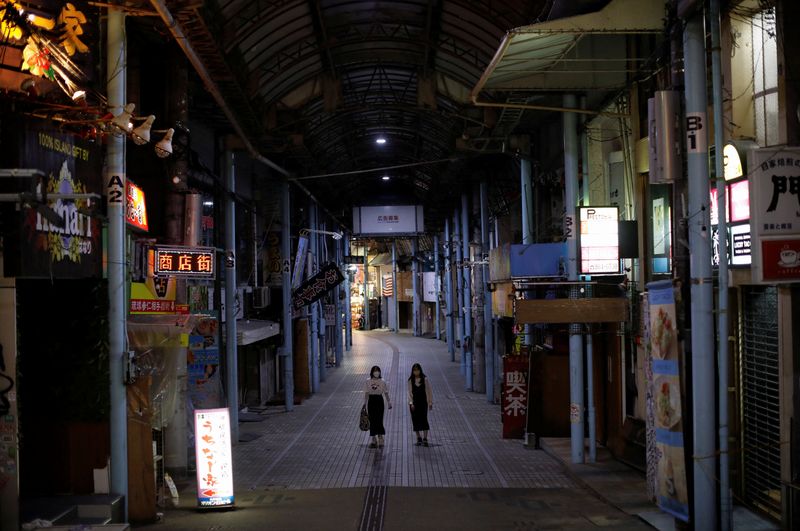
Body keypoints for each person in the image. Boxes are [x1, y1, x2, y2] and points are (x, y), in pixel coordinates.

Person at [364, 365, 392, 448]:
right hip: (371, 401)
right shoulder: (368, 381)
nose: (376, 372)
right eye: (375, 371)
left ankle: (380, 437)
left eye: (377, 371)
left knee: (379, 419)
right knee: (372, 419)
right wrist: (364, 404)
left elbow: (386, 392)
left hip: (379, 400)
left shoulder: (382, 381)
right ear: (372, 372)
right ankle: (373, 439)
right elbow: (366, 393)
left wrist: (389, 402)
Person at [407, 363, 433, 446]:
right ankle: (418, 437)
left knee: (424, 419)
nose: (416, 372)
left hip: (423, 403)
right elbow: (409, 393)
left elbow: (429, 392)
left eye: (417, 370)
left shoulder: (424, 379)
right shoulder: (410, 380)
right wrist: (411, 403)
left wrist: (430, 403)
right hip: (414, 404)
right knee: (415, 420)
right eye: (414, 370)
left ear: (420, 370)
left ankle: (425, 438)